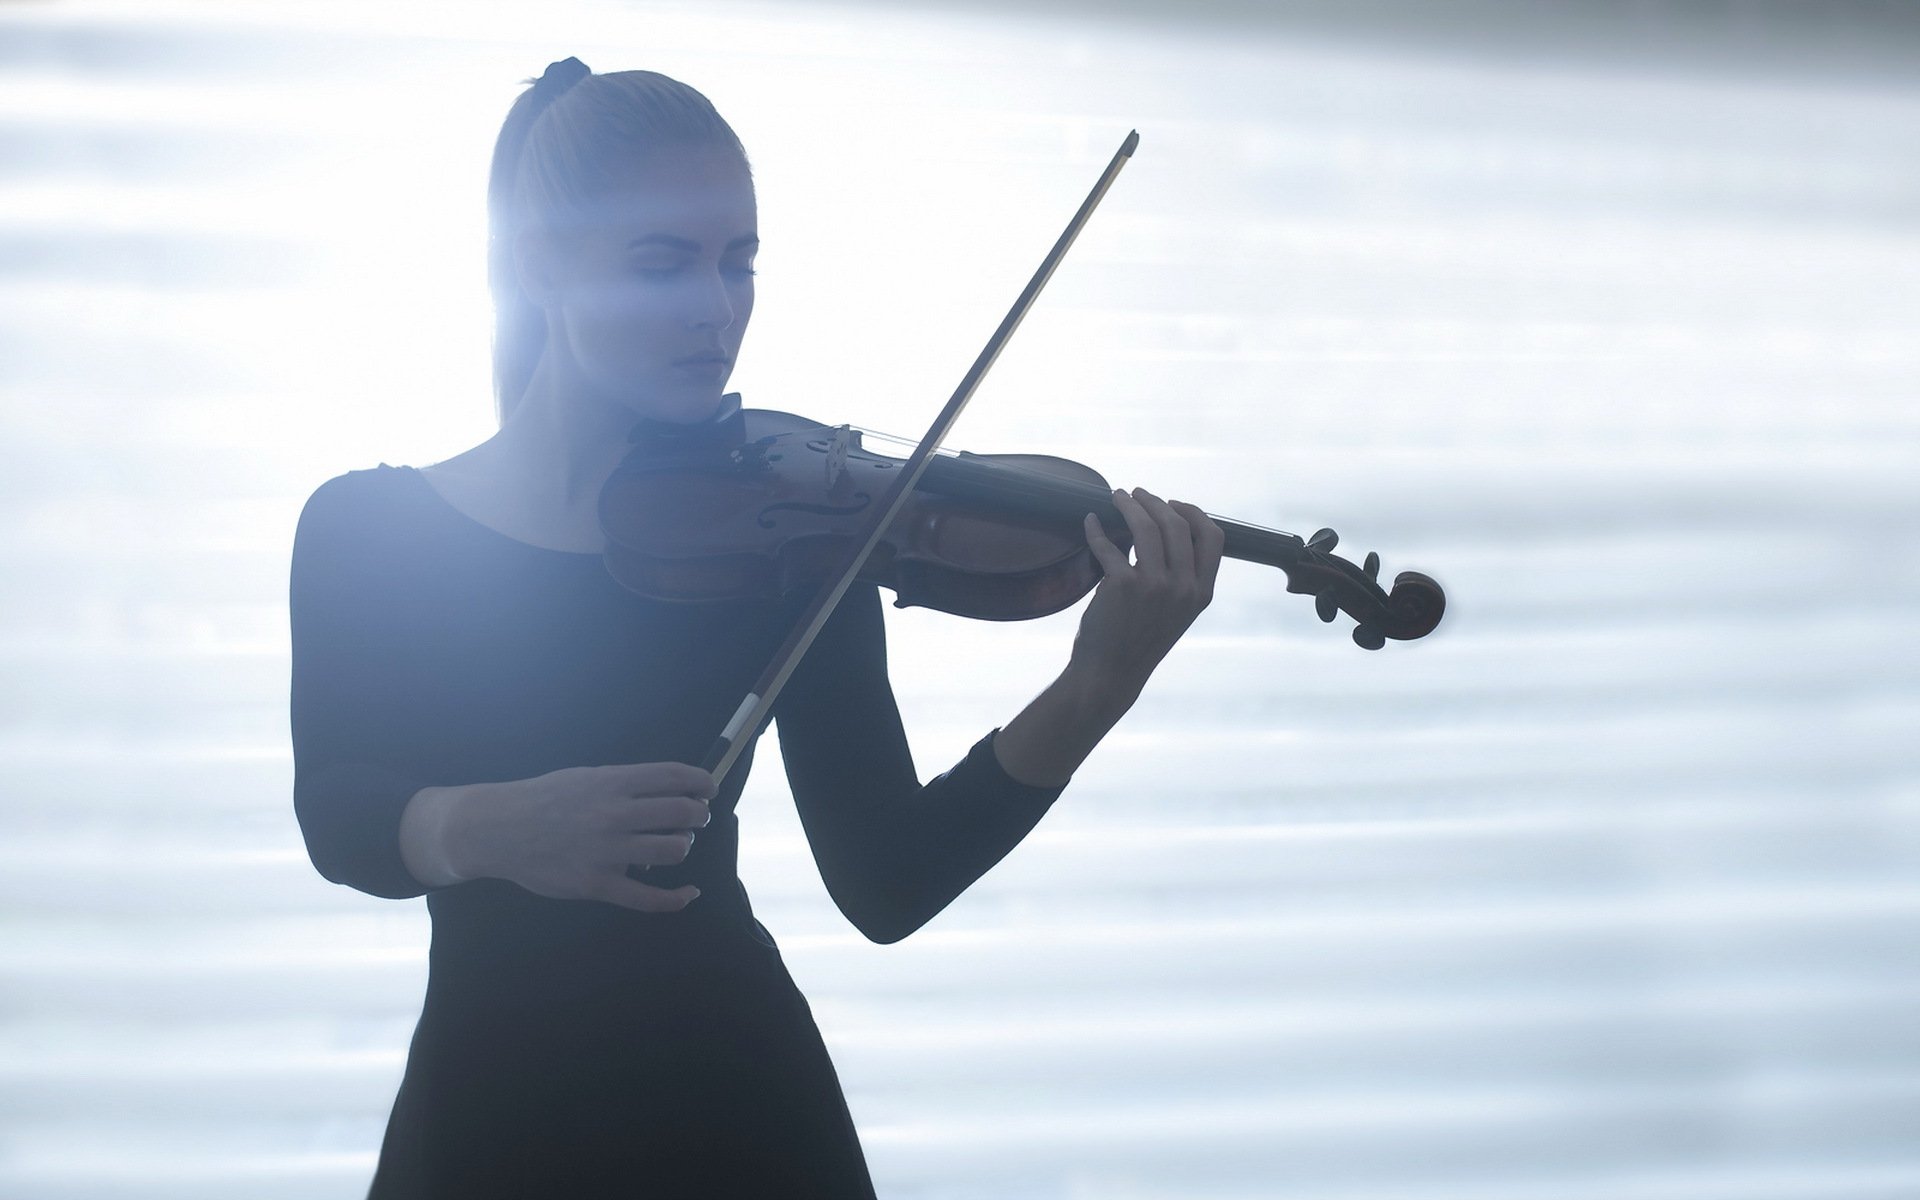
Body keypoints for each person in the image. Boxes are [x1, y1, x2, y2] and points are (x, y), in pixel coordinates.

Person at [290, 57, 1223, 1199]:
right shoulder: (368, 527)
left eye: (739, 263)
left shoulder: (795, 536)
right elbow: (338, 812)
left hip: (740, 1111)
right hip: (489, 1119)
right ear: (540, 265)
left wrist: (1096, 688)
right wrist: (488, 827)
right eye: (663, 262)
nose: (715, 308)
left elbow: (888, 880)